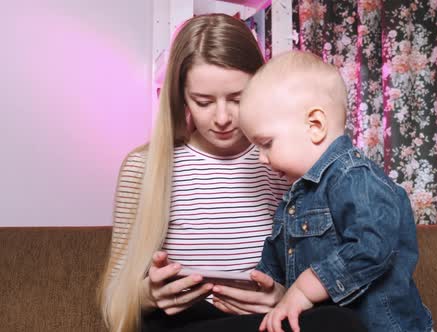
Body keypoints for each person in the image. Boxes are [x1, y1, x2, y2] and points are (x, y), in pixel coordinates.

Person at [98, 14, 367, 332]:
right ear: (181, 96)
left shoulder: (289, 162)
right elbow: (116, 297)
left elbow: (339, 265)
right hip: (181, 321)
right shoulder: (144, 167)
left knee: (343, 322)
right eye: (203, 101)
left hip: (263, 324)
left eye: (237, 99)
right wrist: (148, 294)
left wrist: (287, 298)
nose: (222, 117)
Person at [237, 50, 434, 332]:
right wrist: (262, 286)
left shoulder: (353, 176)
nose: (261, 158)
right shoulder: (293, 198)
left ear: (315, 125)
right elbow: (277, 261)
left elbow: (372, 245)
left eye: (266, 143)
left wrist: (306, 288)